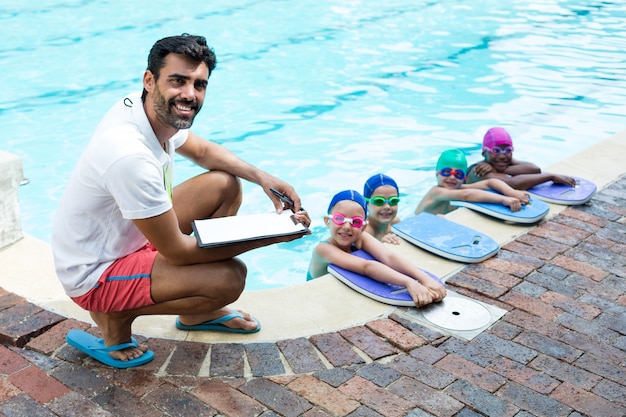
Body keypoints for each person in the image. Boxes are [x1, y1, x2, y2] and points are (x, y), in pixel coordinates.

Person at [51, 34, 311, 368]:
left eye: (199, 84)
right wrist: (275, 234)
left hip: (130, 236)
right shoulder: (128, 155)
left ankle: (197, 313)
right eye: (178, 81)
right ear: (150, 80)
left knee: (225, 185)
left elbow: (203, 152)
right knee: (229, 279)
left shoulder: (143, 108)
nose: (189, 94)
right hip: (96, 272)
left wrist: (264, 178)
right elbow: (179, 251)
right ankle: (114, 317)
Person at [307, 190, 446, 307]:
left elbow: (388, 257)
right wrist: (409, 282)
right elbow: (366, 267)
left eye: (356, 222)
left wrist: (424, 278)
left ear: (363, 227)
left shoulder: (359, 238)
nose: (347, 227)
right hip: (317, 297)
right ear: (327, 221)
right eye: (339, 219)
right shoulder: (323, 249)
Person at [415, 149, 530, 215]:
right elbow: (467, 195)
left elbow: (490, 182)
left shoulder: (458, 188)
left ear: (464, 177)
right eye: (446, 172)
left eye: (458, 174)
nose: (452, 177)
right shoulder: (437, 192)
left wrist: (511, 193)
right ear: (437, 174)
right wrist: (504, 200)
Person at [466, 127, 577, 189]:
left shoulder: (496, 164)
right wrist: (550, 176)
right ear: (484, 152)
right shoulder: (479, 170)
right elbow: (513, 184)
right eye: (496, 151)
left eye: (508, 150)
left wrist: (503, 166)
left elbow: (535, 170)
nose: (502, 156)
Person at [363, 173, 402, 244]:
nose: (387, 207)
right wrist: (381, 244)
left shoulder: (395, 223)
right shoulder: (365, 230)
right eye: (379, 201)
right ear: (366, 204)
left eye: (393, 201)